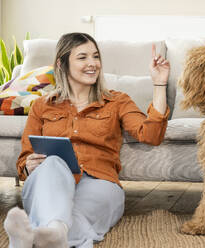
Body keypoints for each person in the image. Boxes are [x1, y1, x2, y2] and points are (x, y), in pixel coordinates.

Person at [3, 32, 170, 248]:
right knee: (53, 163)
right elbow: (23, 162)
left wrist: (159, 84)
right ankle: (53, 236)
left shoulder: (117, 101)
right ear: (61, 64)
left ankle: (41, 237)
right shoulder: (42, 106)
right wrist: (29, 167)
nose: (92, 64)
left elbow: (151, 134)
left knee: (78, 214)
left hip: (99, 182)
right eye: (82, 57)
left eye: (96, 56)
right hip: (50, 182)